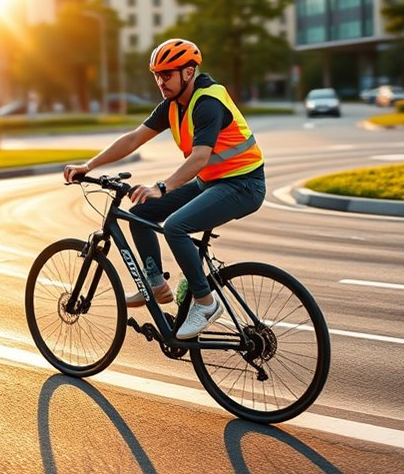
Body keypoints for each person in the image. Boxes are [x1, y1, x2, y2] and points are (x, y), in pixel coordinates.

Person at [63, 38, 266, 339]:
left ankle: (206, 303)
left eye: (167, 74)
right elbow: (133, 139)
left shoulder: (207, 103)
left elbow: (200, 156)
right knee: (142, 212)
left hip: (244, 184)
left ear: (188, 72)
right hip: (211, 182)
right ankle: (155, 285)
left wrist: (163, 186)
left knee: (175, 227)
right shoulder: (173, 106)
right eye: (157, 75)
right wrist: (89, 166)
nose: (160, 81)